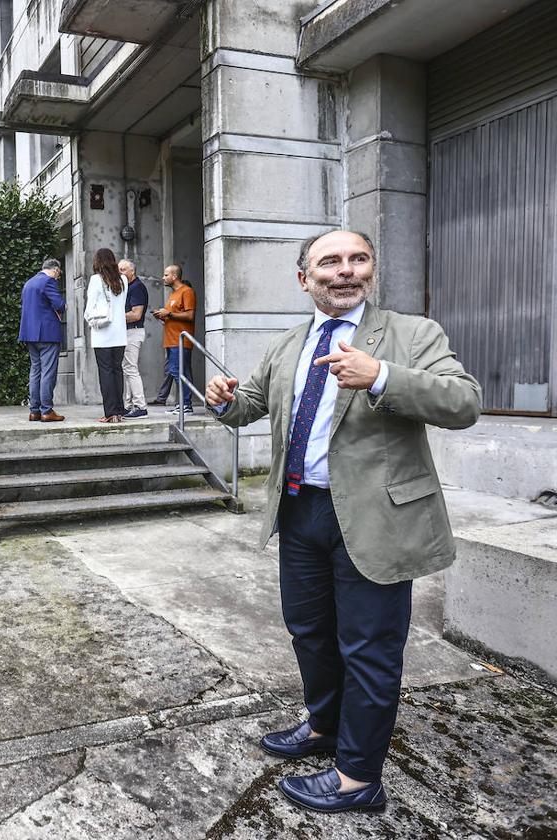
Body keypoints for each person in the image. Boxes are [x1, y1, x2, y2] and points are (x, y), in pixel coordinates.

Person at [205, 230, 481, 814]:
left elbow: (464, 402)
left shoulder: (411, 334)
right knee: (309, 632)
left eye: (358, 259)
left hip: (379, 518)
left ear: (371, 271)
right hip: (301, 511)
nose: (345, 271)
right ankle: (324, 727)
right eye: (329, 262)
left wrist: (381, 375)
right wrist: (224, 400)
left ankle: (359, 777)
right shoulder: (289, 344)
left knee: (370, 648)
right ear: (304, 278)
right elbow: (248, 404)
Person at [18, 258, 66, 422]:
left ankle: (34, 410)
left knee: (35, 371)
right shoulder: (48, 281)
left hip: (30, 334)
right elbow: (59, 304)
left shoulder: (29, 283)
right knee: (48, 372)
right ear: (55, 270)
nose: (57, 277)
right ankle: (46, 410)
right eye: (58, 274)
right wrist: (62, 307)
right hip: (47, 334)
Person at [85, 248, 127, 423]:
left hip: (102, 335)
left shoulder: (96, 280)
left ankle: (110, 413)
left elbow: (89, 307)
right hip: (120, 334)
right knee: (117, 372)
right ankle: (118, 411)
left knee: (106, 373)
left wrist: (89, 319)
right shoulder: (124, 279)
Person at [151, 264, 196, 413]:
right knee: (177, 371)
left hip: (181, 340)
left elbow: (190, 315)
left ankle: (186, 405)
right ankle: (182, 404)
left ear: (174, 276)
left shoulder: (187, 291)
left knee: (178, 371)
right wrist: (162, 316)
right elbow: (172, 318)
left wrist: (169, 314)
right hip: (171, 340)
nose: (163, 278)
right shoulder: (172, 295)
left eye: (166, 275)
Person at [118, 259, 149, 418]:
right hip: (128, 332)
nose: (119, 272)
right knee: (127, 369)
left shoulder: (137, 287)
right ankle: (129, 405)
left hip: (133, 331)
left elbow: (136, 315)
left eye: (123, 269)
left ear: (132, 271)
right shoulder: (128, 287)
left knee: (130, 369)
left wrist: (115, 317)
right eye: (119, 269)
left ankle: (140, 406)